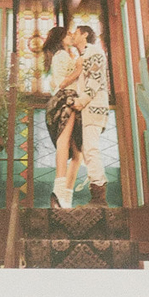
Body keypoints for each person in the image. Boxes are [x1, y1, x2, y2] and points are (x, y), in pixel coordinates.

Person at [42, 25, 87, 212]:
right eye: (67, 34)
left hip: (72, 100)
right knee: (67, 144)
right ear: (60, 38)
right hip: (66, 100)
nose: (70, 36)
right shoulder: (61, 55)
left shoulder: (60, 55)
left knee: (77, 152)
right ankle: (59, 191)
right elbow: (65, 81)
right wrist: (79, 65)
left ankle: (65, 196)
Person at [67, 23, 110, 205]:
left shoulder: (94, 52)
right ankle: (97, 193)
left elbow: (96, 80)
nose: (72, 35)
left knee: (90, 149)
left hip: (93, 108)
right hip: (88, 110)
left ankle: (99, 197)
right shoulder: (84, 55)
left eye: (75, 33)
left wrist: (80, 101)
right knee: (87, 149)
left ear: (84, 35)